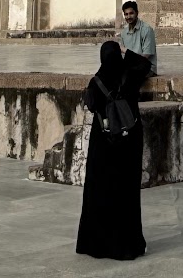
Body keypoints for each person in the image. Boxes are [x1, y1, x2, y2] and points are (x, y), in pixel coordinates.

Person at [76, 40, 150, 260]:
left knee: (99, 190)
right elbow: (145, 65)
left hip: (103, 144)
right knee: (126, 193)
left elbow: (90, 104)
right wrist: (126, 53)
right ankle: (127, 244)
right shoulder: (131, 76)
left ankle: (96, 243)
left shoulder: (95, 81)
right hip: (129, 141)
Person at [118, 0, 157, 75]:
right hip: (131, 67)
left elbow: (145, 56)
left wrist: (126, 52)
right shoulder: (124, 33)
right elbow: (123, 56)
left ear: (137, 13)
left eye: (131, 13)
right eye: (126, 14)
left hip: (146, 67)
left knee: (128, 76)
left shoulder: (147, 30)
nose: (128, 17)